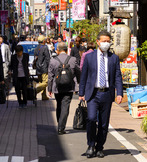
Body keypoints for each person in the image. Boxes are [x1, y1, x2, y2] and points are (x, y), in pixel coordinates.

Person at [79, 30, 123, 158]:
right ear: (98, 42)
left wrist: (119, 93)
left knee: (104, 123)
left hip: (107, 94)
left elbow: (118, 77)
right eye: (104, 41)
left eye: (108, 41)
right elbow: (84, 76)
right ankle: (91, 145)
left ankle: (99, 147)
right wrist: (81, 92)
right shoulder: (89, 57)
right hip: (93, 93)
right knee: (91, 119)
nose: (106, 43)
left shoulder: (113, 58)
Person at [48, 42, 80, 134]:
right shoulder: (72, 59)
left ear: (57, 50)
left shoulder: (53, 60)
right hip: (69, 86)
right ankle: (61, 127)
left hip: (57, 86)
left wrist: (49, 88)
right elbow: (78, 72)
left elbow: (50, 76)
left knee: (59, 104)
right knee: (65, 106)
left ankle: (60, 123)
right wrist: (78, 84)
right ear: (66, 50)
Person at [10, 44, 30, 108]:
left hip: (24, 75)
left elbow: (26, 65)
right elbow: (11, 65)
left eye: (19, 52)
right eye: (17, 52)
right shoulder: (13, 57)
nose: (18, 53)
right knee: (17, 90)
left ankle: (25, 102)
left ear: (22, 51)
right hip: (16, 75)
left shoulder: (26, 56)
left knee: (24, 90)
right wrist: (10, 70)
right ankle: (20, 102)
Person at [34, 35, 50, 100]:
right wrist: (50, 67)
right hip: (44, 67)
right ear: (44, 41)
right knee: (46, 82)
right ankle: (35, 90)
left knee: (41, 82)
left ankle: (44, 96)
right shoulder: (45, 47)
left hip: (38, 67)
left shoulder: (36, 48)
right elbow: (47, 58)